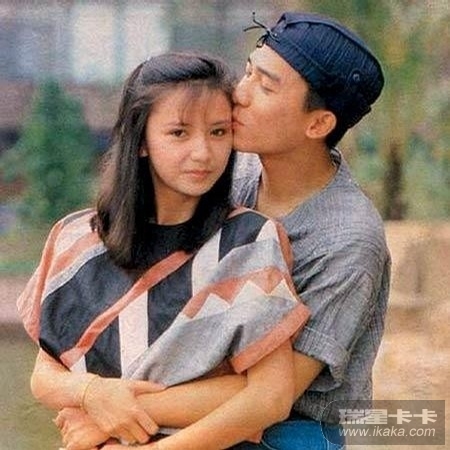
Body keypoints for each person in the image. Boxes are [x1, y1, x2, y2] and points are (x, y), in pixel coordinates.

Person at [108, 11, 389, 450]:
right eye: (248, 72)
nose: (238, 94)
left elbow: (275, 393)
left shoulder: (347, 240)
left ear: (318, 124)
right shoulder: (230, 170)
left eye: (266, 87)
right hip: (181, 406)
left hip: (289, 433)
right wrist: (93, 396)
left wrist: (115, 408)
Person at [17, 52, 311, 450]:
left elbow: (270, 398)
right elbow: (44, 376)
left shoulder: (248, 241)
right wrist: (94, 394)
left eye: (218, 132)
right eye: (179, 133)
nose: (203, 152)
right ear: (141, 140)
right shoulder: (77, 240)